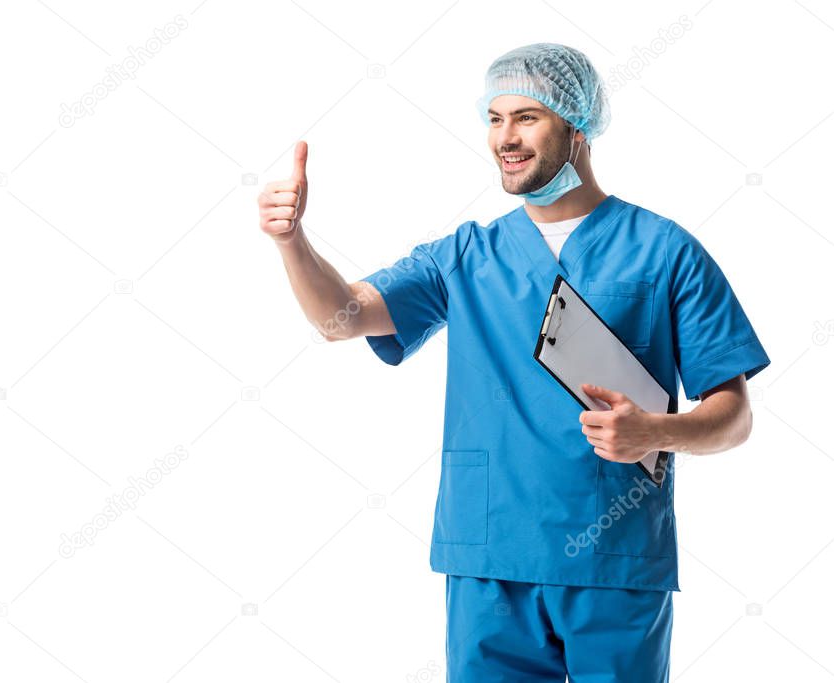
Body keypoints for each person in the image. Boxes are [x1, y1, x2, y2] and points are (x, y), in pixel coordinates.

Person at [257, 42, 770, 683]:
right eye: (495, 118)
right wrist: (292, 242)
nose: (506, 137)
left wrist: (657, 431)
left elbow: (735, 416)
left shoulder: (665, 251)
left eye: (527, 117)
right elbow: (345, 316)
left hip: (610, 558)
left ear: (577, 128)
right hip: (491, 553)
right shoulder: (466, 254)